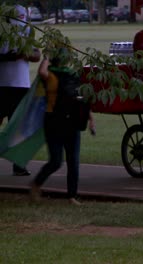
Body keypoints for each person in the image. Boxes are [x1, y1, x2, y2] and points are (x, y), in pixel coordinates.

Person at [30, 48, 95, 205]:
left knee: (73, 161)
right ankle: (36, 185)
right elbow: (42, 72)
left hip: (71, 122)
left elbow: (80, 100)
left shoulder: (72, 76)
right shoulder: (51, 75)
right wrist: (46, 58)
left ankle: (72, 196)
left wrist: (91, 119)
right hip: (54, 122)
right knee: (56, 161)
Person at [0, 4, 40, 176]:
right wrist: (12, 56)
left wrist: (26, 54)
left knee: (18, 127)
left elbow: (37, 55)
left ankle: (18, 165)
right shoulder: (2, 27)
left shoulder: (25, 33)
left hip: (21, 84)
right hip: (1, 83)